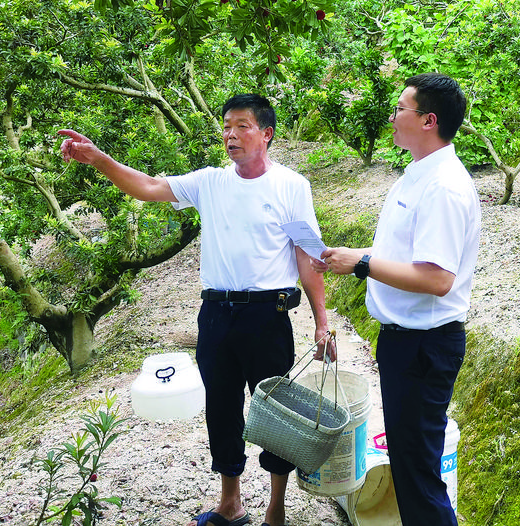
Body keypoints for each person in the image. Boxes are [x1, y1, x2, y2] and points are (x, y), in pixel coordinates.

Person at [58, 93, 335, 526]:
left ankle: (275, 510)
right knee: (221, 408)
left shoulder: (292, 186)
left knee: (276, 412)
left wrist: (322, 323)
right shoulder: (209, 182)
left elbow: (306, 256)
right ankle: (231, 503)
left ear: (267, 133)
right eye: (226, 126)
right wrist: (98, 159)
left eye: (242, 126)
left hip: (268, 314)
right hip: (217, 315)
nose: (230, 135)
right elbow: (147, 186)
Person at [321, 73, 481, 526]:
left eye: (400, 109)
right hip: (404, 343)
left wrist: (362, 263)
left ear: (428, 120)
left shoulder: (444, 187)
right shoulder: (417, 175)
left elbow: (437, 279)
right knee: (413, 472)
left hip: (423, 347)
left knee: (417, 476)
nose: (392, 117)